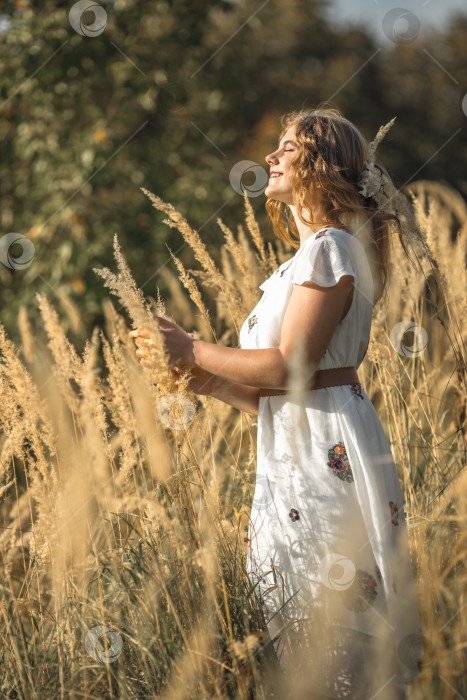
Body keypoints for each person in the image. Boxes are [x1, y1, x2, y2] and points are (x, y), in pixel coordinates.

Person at [130, 106, 425, 699]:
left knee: (337, 624)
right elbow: (287, 391)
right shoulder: (308, 256)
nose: (270, 157)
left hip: (325, 455)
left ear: (320, 164)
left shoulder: (330, 248)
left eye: (287, 147)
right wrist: (208, 381)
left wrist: (192, 345)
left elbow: (290, 366)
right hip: (300, 443)